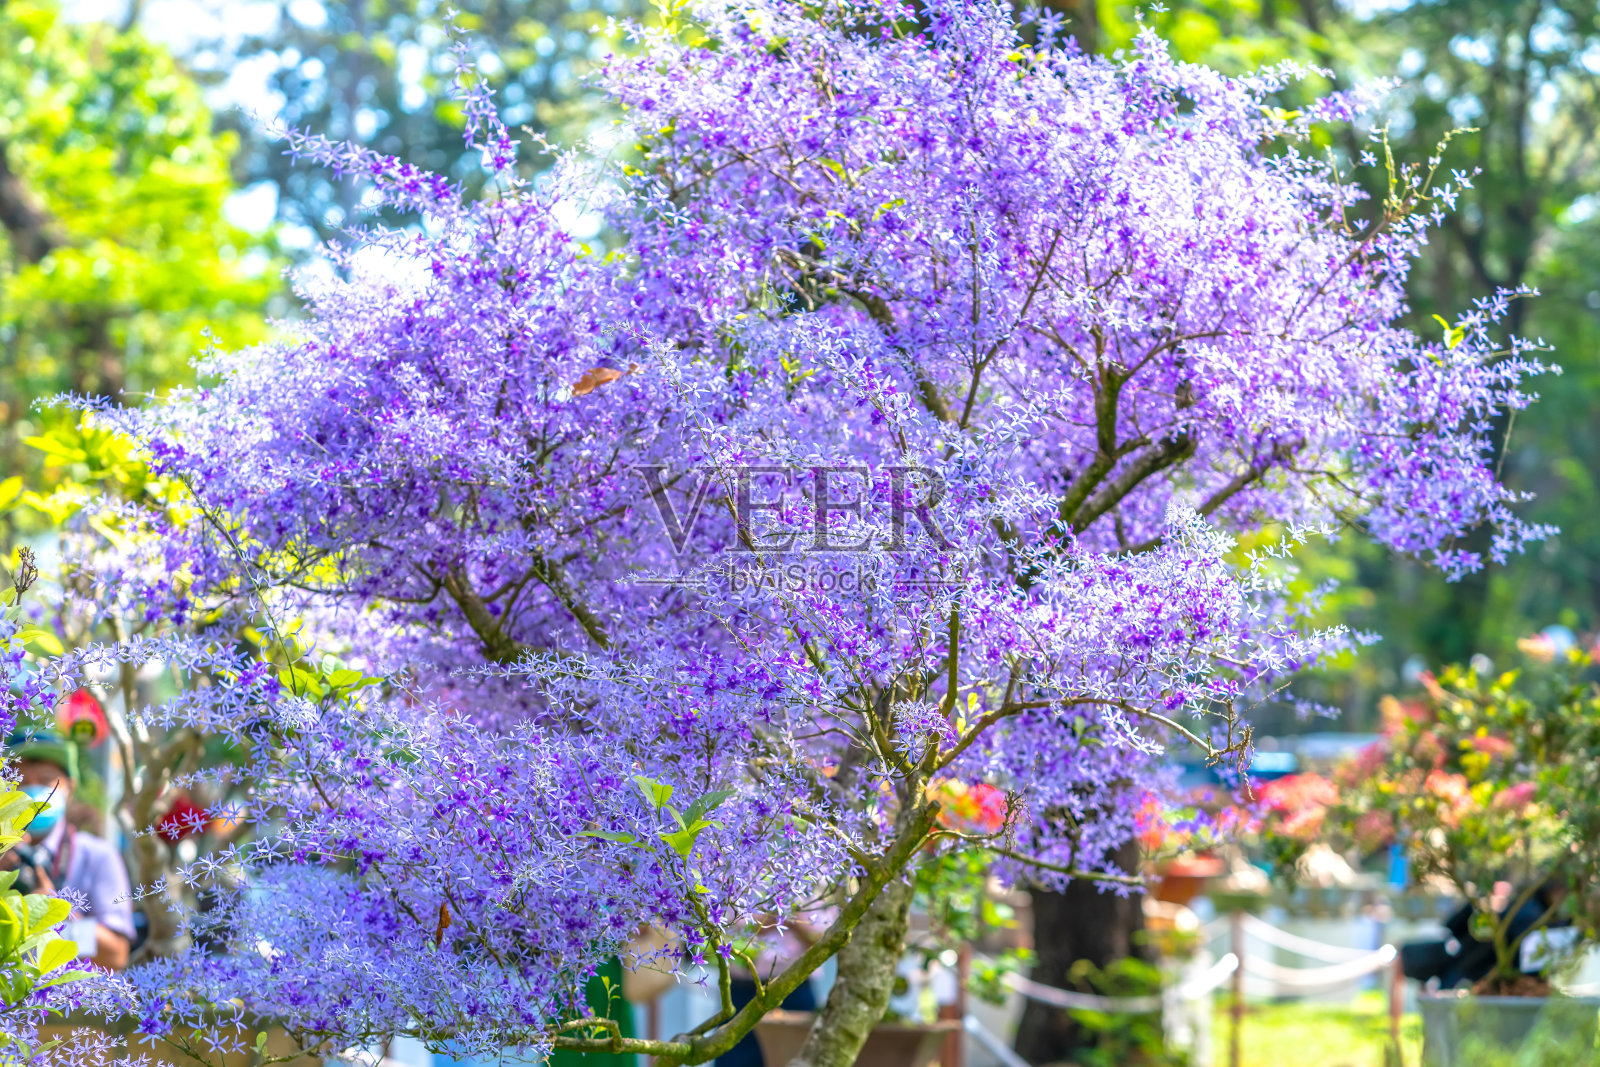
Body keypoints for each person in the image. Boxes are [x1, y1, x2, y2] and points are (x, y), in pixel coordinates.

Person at [6, 729, 134, 970]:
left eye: (46, 781)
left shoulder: (97, 856)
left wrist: (54, 913)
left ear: (70, 787)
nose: (31, 792)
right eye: (19, 782)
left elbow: (116, 954)